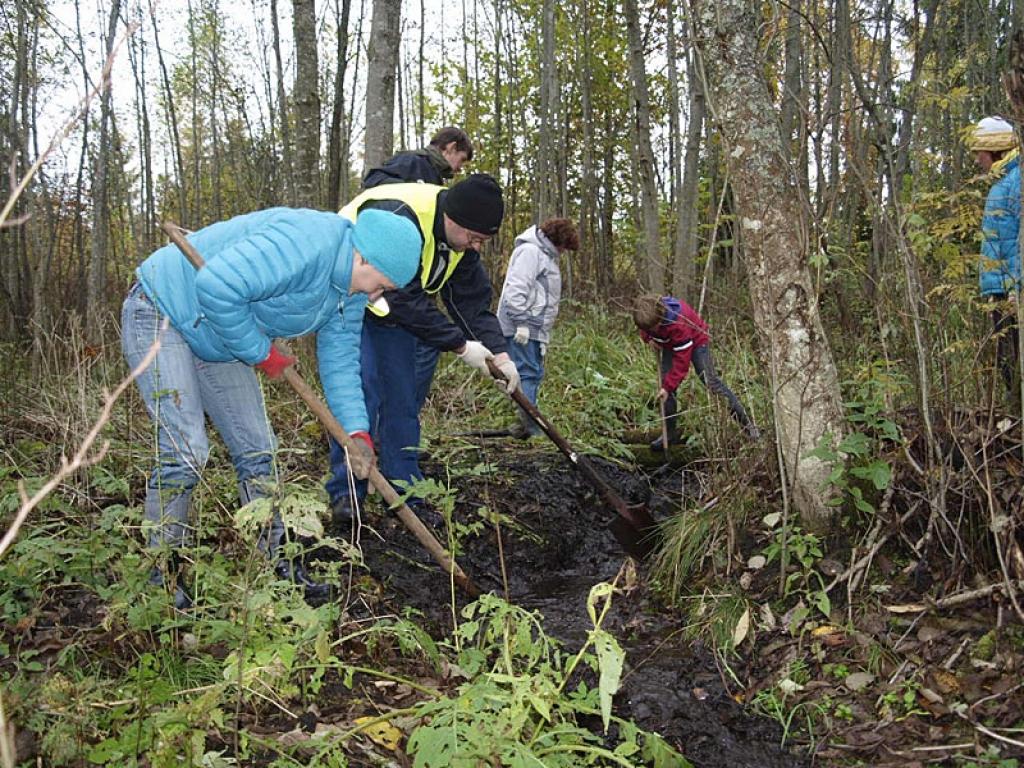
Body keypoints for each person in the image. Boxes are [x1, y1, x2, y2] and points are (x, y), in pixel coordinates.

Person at [121, 207, 422, 609]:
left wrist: (356, 432)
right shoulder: (307, 242)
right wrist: (260, 353)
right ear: (362, 257)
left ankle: (275, 563)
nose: (375, 295)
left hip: (218, 335)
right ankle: (163, 577)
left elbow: (341, 360)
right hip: (165, 309)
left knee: (259, 450)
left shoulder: (348, 293)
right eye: (379, 284)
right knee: (186, 452)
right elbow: (216, 285)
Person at [326, 174, 520, 527]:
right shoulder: (404, 219)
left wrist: (500, 355)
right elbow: (402, 297)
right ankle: (347, 492)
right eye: (475, 238)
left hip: (394, 314)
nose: (477, 246)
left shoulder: (460, 244)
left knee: (402, 399)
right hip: (352, 295)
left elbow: (472, 304)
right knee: (361, 393)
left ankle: (403, 493)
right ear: (454, 219)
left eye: (483, 240)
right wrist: (461, 346)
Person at [632, 294, 759, 449]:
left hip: (696, 341)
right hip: (670, 344)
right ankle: (669, 434)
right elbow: (645, 330)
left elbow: (682, 363)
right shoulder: (647, 316)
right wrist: (649, 339)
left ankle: (748, 426)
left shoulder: (677, 323)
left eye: (653, 328)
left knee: (711, 382)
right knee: (665, 390)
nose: (651, 330)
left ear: (661, 317)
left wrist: (668, 386)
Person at [496, 218, 579, 437]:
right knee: (527, 375)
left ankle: (526, 425)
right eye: (564, 247)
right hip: (522, 328)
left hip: (534, 328)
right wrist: (521, 322)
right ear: (557, 240)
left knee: (532, 374)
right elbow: (515, 289)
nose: (563, 252)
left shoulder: (546, 256)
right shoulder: (531, 252)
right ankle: (531, 428)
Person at [969, 116, 1021, 392]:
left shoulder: (1017, 180)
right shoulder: (1001, 183)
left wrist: (1016, 287)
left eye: (980, 152)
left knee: (1014, 360)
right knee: (1006, 362)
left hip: (1014, 290)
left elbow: (1018, 239)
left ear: (995, 149)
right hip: (1000, 289)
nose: (978, 159)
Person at [362, 126, 473, 188]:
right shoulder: (412, 160)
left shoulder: (434, 173)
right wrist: (414, 189)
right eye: (462, 159)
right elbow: (372, 179)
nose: (460, 167)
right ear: (451, 147)